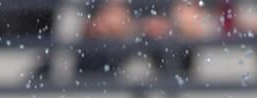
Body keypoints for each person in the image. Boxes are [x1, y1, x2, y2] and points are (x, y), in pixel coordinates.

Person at [77, 1, 214, 80]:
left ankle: (174, 86)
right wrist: (138, 26)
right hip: (117, 46)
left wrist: (169, 25)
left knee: (173, 41)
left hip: (168, 40)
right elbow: (108, 20)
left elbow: (191, 21)